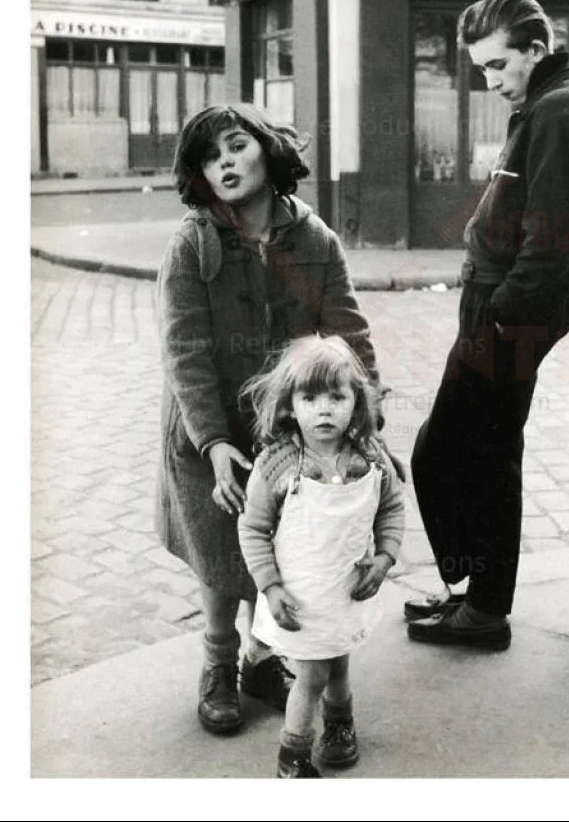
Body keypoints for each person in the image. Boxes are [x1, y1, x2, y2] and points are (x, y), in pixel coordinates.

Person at [156, 103, 379, 735]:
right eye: (209, 156)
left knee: (283, 546)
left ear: (267, 149)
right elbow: (185, 351)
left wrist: (371, 421)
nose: (223, 162)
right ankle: (219, 664)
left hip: (288, 431)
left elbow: (350, 339)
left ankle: (260, 660)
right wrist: (213, 442)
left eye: (235, 146)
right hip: (208, 430)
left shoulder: (316, 241)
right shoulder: (191, 242)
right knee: (221, 553)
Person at [405, 0, 569, 650]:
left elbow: (551, 242)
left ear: (536, 51)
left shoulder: (561, 111)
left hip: (509, 316)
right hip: (494, 308)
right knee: (459, 453)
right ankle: (474, 594)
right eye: (482, 69)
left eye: (496, 66)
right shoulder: (542, 106)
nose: (490, 82)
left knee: (467, 456)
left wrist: (499, 317)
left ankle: (485, 608)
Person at [238, 335, 405, 778]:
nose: (325, 408)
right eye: (310, 397)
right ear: (291, 405)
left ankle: (339, 724)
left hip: (347, 589)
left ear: (357, 403)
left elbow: (391, 507)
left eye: (337, 396)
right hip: (301, 597)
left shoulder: (369, 459)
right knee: (310, 675)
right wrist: (269, 587)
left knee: (340, 658)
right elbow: (253, 528)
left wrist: (385, 556)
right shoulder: (277, 465)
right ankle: (291, 759)